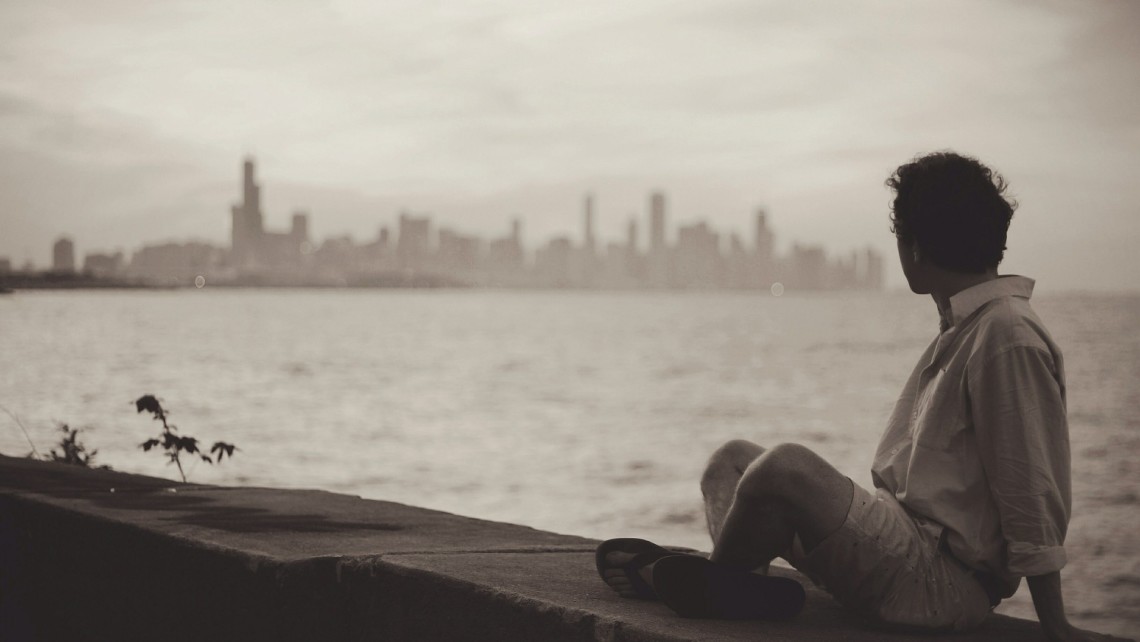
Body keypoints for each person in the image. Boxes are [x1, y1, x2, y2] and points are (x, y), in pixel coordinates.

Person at [598, 151, 1119, 640]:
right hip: (905, 549)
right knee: (731, 463)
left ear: (914, 245)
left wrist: (1056, 626)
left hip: (941, 584)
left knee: (785, 466)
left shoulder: (1005, 333)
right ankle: (742, 587)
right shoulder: (966, 326)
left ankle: (716, 584)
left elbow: (1030, 488)